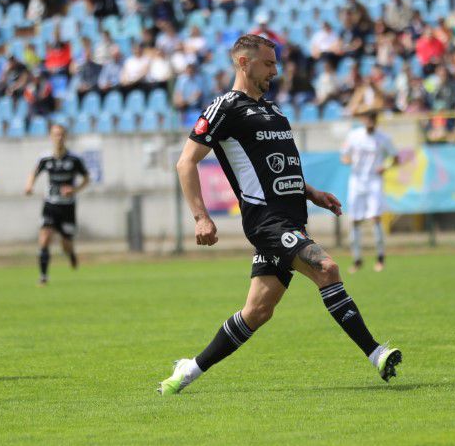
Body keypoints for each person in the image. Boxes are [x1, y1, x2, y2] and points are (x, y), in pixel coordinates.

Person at [158, 34, 402, 395]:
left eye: (275, 63)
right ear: (244, 63)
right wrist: (201, 217)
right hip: (266, 221)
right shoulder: (224, 108)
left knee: (257, 311)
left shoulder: (273, 111)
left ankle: (188, 370)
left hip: (292, 218)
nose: (276, 70)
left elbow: (281, 169)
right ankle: (376, 353)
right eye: (268, 63)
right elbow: (185, 162)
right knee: (327, 268)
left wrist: (312, 192)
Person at [23, 124, 89, 285]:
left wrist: (74, 189)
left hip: (67, 207)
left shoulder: (74, 159)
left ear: (65, 137)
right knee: (44, 238)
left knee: (65, 244)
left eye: (61, 135)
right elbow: (34, 172)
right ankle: (43, 277)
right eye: (55, 135)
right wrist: (29, 185)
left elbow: (86, 178)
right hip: (50, 204)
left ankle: (71, 254)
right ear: (51, 137)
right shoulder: (45, 158)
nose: (58, 138)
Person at [340, 111, 398, 273]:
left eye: (372, 119)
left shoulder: (383, 138)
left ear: (376, 121)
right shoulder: (354, 136)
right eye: (367, 119)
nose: (369, 122)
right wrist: (350, 160)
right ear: (363, 120)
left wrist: (385, 166)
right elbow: (344, 157)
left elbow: (396, 158)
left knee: (375, 218)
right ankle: (357, 259)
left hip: (374, 181)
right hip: (356, 182)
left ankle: (380, 257)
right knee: (355, 220)